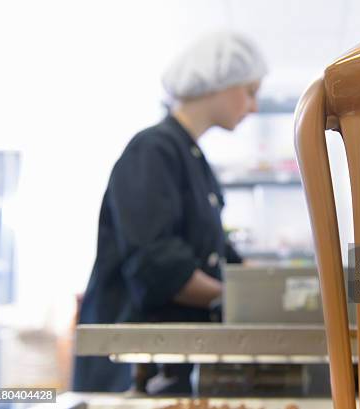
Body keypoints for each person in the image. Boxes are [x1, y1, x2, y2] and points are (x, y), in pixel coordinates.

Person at [72, 31, 268, 393]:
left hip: (171, 360)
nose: (253, 107)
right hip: (131, 366)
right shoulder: (152, 150)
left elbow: (215, 253)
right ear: (218, 83)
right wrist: (236, 299)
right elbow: (157, 264)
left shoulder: (194, 160)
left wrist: (268, 286)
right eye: (250, 92)